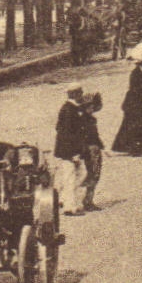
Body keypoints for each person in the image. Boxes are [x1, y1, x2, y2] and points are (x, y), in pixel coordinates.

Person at [54, 84, 104, 214]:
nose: (81, 95)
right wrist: (73, 152)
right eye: (80, 93)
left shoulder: (69, 108)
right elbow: (67, 133)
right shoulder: (70, 110)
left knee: (71, 176)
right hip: (69, 151)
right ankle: (70, 207)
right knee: (71, 178)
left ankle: (66, 201)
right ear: (74, 94)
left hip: (68, 151)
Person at [111, 44, 142, 156]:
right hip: (133, 101)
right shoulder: (136, 73)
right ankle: (138, 149)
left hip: (135, 101)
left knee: (129, 124)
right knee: (137, 124)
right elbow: (137, 90)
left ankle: (125, 147)